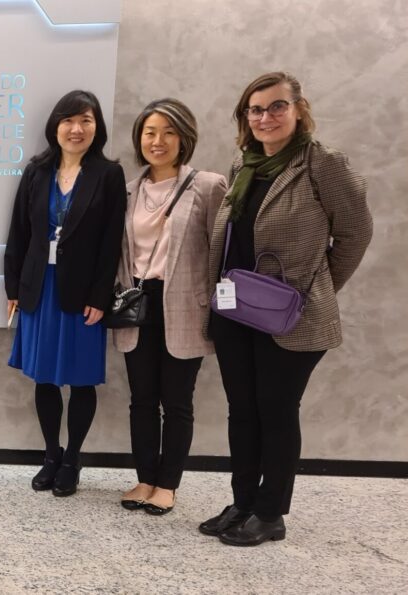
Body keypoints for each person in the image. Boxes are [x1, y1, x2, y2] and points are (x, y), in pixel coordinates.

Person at [200, 72, 372, 545]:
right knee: (243, 411)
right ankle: (242, 502)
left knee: (276, 410)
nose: (265, 117)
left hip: (289, 316)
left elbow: (355, 234)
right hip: (236, 309)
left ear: (299, 109)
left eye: (276, 106)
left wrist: (315, 289)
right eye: (255, 109)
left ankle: (270, 512)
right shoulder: (243, 168)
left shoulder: (322, 165)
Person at [4, 90, 126, 497]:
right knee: (44, 378)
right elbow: (20, 233)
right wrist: (13, 288)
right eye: (69, 120)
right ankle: (51, 455)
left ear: (97, 128)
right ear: (55, 126)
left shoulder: (108, 174)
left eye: (86, 121)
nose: (77, 129)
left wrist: (100, 295)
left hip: (83, 294)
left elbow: (111, 243)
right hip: (39, 288)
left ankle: (73, 458)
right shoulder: (36, 172)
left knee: (81, 379)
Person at [112, 99, 227, 515]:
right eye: (149, 132)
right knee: (141, 398)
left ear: (185, 138)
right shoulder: (128, 190)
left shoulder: (209, 186)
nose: (157, 141)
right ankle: (144, 478)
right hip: (136, 303)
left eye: (168, 132)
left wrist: (220, 305)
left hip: (184, 305)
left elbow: (222, 252)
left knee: (176, 401)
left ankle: (168, 485)